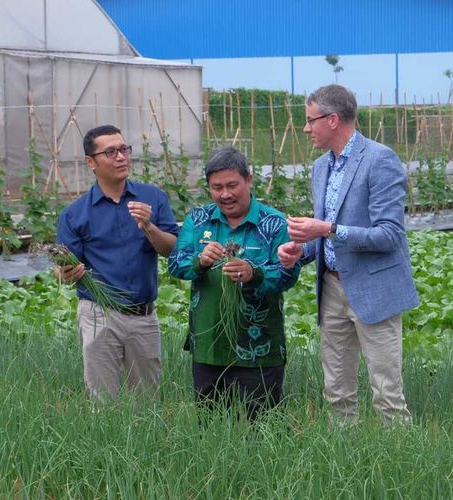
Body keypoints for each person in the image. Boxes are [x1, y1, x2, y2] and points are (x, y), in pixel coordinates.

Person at [277, 84, 419, 425]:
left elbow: (389, 235)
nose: (306, 128)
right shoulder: (320, 168)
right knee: (336, 391)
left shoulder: (379, 160)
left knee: (387, 393)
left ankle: (400, 467)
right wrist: (301, 250)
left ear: (333, 119)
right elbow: (325, 236)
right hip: (332, 288)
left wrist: (324, 230)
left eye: (311, 120)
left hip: (373, 289)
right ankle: (345, 463)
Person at [168, 146, 301, 420]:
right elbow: (175, 264)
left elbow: (289, 274)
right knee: (212, 430)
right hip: (209, 346)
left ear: (248, 180)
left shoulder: (274, 224)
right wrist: (200, 261)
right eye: (217, 187)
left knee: (264, 429)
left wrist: (255, 274)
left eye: (232, 185)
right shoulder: (198, 219)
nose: (225, 194)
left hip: (258, 348)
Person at [56, 124, 179, 401]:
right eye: (110, 152)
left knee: (147, 401)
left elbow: (171, 249)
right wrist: (66, 271)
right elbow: (63, 268)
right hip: (98, 313)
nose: (121, 157)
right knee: (102, 401)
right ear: (91, 162)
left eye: (124, 149)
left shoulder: (152, 198)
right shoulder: (75, 214)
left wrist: (149, 226)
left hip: (142, 314)